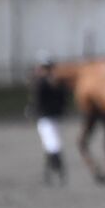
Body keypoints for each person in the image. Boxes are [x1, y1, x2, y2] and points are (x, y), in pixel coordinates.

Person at [29, 52, 69, 185]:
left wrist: (33, 111)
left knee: (52, 145)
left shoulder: (41, 82)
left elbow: (37, 100)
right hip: (53, 117)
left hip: (46, 117)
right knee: (51, 144)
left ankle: (58, 169)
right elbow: (63, 100)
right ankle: (50, 174)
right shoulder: (55, 82)